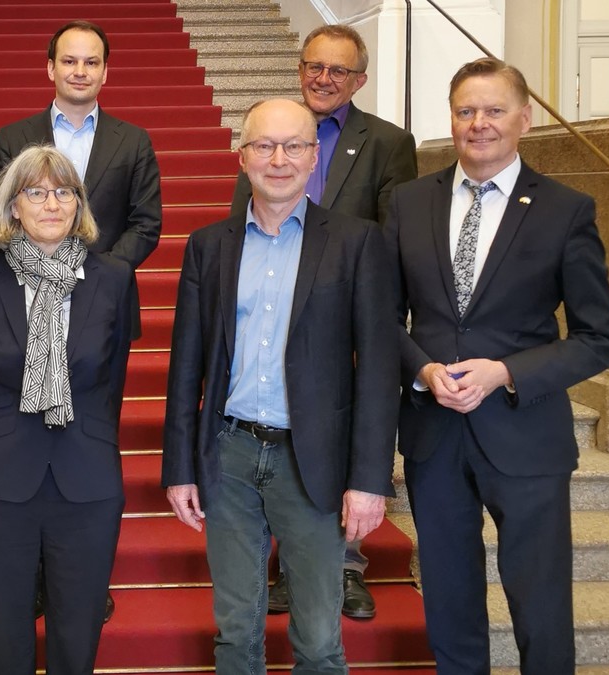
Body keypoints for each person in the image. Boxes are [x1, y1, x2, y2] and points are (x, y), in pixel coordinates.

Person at [385, 58, 609, 674]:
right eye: (466, 111)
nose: (479, 123)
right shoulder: (407, 203)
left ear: (525, 117)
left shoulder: (565, 209)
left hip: (526, 435)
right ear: (452, 119)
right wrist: (424, 370)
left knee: (540, 603)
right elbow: (382, 319)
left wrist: (507, 372)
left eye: (493, 110)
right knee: (449, 597)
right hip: (434, 434)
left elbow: (599, 337)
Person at [161, 99, 398, 674]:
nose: (279, 159)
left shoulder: (356, 242)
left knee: (319, 639)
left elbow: (379, 366)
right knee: (236, 630)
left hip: (311, 458)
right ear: (242, 157)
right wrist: (180, 468)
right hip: (230, 455)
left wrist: (369, 480)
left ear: (314, 156)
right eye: (264, 146)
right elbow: (185, 367)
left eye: (294, 145)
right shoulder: (208, 246)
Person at [229, 24, 417, 618]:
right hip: (277, 308)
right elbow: (245, 218)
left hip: (346, 315)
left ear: (359, 79)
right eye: (315, 65)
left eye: (339, 70)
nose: (324, 78)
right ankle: (289, 566)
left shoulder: (387, 141)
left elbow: (394, 236)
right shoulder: (269, 134)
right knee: (282, 433)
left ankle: (346, 568)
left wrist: (378, 319)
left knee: (340, 436)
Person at [0, 145, 132, 674]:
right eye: (36, 192)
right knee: (5, 640)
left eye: (65, 192)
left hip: (87, 480)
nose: (51, 203)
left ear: (80, 205)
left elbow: (113, 379)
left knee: (77, 639)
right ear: (13, 206)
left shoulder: (115, 280)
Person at [0, 19, 161, 340]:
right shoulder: (12, 138)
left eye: (91, 62)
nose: (81, 71)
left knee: (102, 393)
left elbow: (146, 224)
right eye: (69, 61)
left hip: (107, 297)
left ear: (105, 72)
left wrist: (97, 273)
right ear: (51, 68)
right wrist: (44, 271)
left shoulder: (134, 141)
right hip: (27, 295)